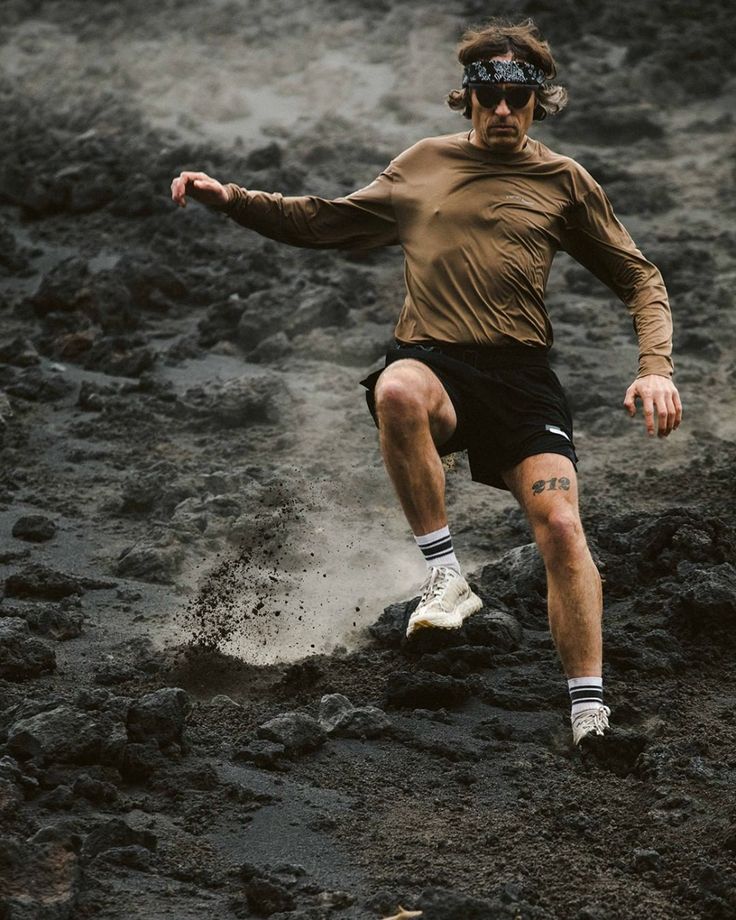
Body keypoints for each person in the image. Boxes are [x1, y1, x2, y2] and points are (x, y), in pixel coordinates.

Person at [170, 18, 681, 746]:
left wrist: (655, 370)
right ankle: (446, 576)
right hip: (435, 361)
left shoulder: (564, 181)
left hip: (521, 377)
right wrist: (233, 199)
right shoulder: (422, 165)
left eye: (518, 97)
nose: (503, 110)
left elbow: (640, 277)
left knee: (564, 531)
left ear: (538, 101)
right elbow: (324, 222)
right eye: (488, 95)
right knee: (398, 390)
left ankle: (589, 713)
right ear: (467, 99)